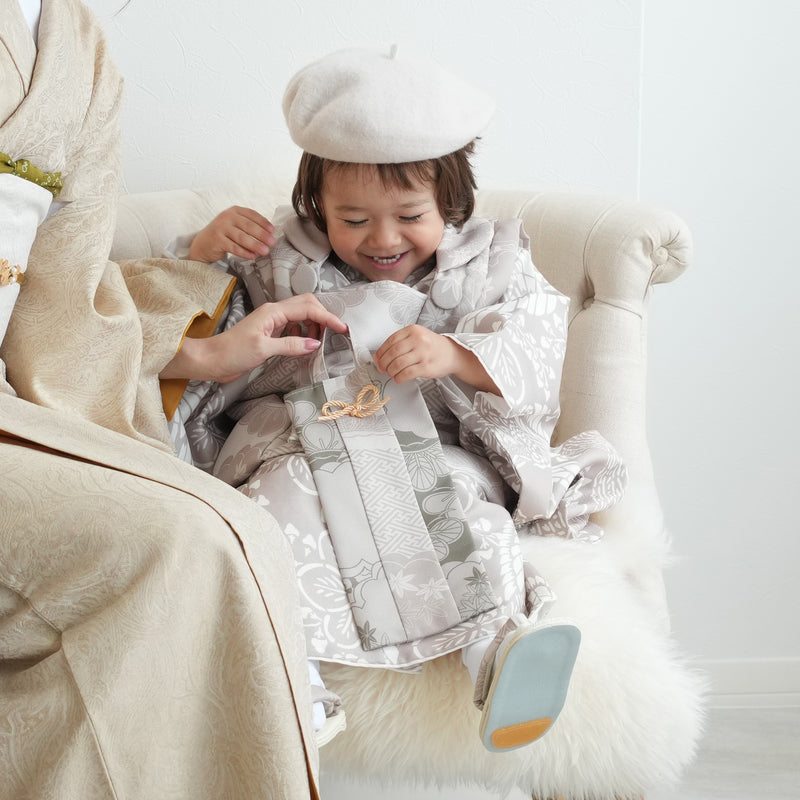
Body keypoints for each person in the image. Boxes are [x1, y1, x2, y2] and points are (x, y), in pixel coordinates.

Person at [169, 46, 627, 753]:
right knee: (274, 513)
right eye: (352, 220)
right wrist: (200, 257)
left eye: (410, 215)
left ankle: (497, 653)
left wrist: (458, 356)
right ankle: (297, 684)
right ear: (315, 205)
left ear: (451, 200)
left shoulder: (493, 264)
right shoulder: (274, 260)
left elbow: (536, 343)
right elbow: (188, 339)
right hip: (300, 443)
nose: (382, 240)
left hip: (436, 444)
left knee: (447, 501)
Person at [1, 1, 345, 797]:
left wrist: (205, 352)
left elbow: (63, 305)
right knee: (170, 541)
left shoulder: (76, 48)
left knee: (232, 534)